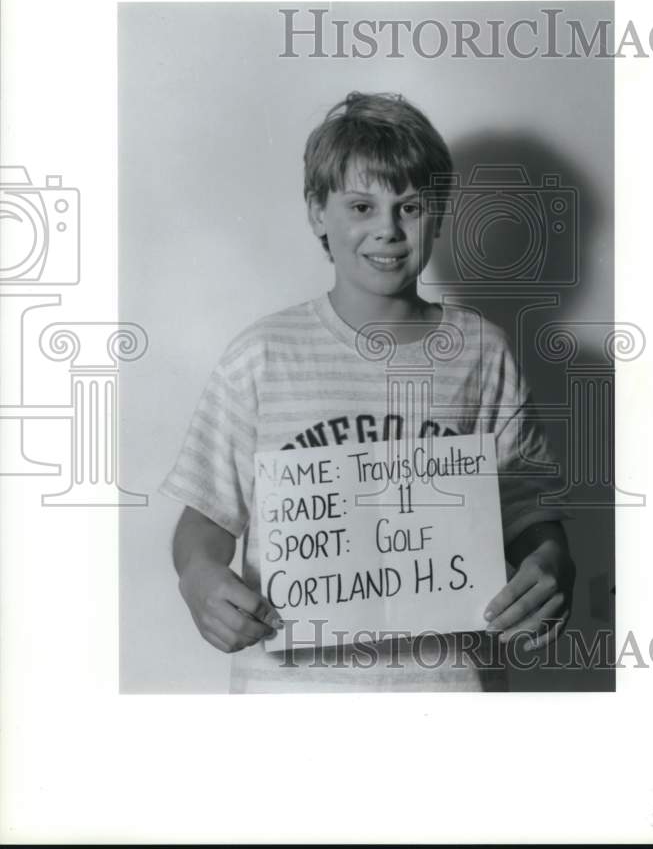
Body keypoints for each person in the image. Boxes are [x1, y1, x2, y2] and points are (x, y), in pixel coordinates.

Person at [162, 91, 575, 692]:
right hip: (291, 702)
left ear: (439, 213)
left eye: (409, 207)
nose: (387, 229)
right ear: (317, 214)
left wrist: (549, 564)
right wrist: (199, 577)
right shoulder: (263, 354)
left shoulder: (483, 352)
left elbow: (531, 513)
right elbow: (203, 518)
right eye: (361, 205)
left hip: (446, 697)